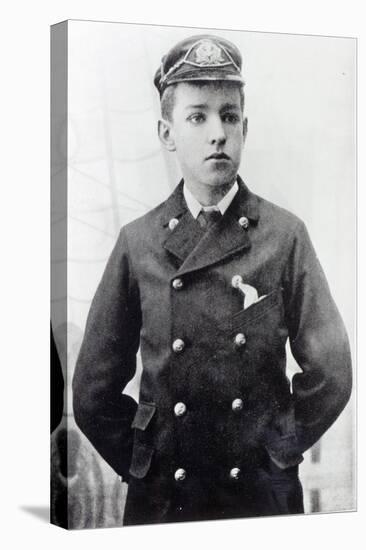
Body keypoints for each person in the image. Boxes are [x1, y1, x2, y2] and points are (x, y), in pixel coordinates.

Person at [72, 34, 352, 526]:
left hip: (259, 497)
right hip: (166, 502)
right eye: (197, 116)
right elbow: (93, 393)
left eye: (228, 116)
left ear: (245, 126)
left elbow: (332, 373)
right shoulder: (138, 244)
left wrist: (278, 447)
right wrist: (145, 463)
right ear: (167, 133)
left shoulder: (284, 237)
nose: (217, 133)